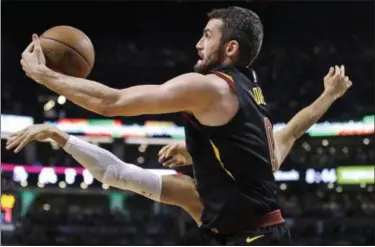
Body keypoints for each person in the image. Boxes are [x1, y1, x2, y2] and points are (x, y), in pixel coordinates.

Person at [18, 6, 352, 245]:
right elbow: (290, 133)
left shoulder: (212, 87)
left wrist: (45, 75)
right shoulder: (251, 92)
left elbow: (112, 102)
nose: (199, 43)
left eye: (207, 36)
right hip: (260, 232)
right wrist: (329, 95)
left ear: (230, 47)